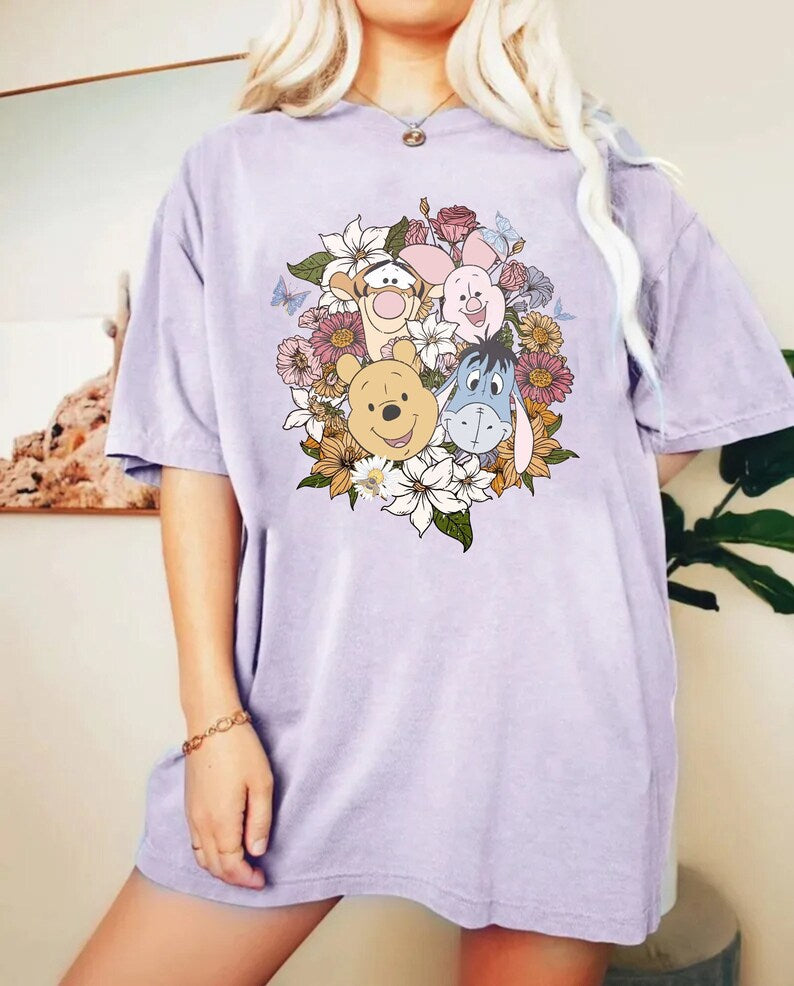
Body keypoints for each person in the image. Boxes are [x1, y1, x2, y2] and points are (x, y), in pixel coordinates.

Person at [60, 1, 794, 984]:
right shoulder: (228, 173)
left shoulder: (594, 166)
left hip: (551, 710)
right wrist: (213, 720)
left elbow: (695, 404)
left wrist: (515, 479)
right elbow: (196, 456)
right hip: (298, 707)